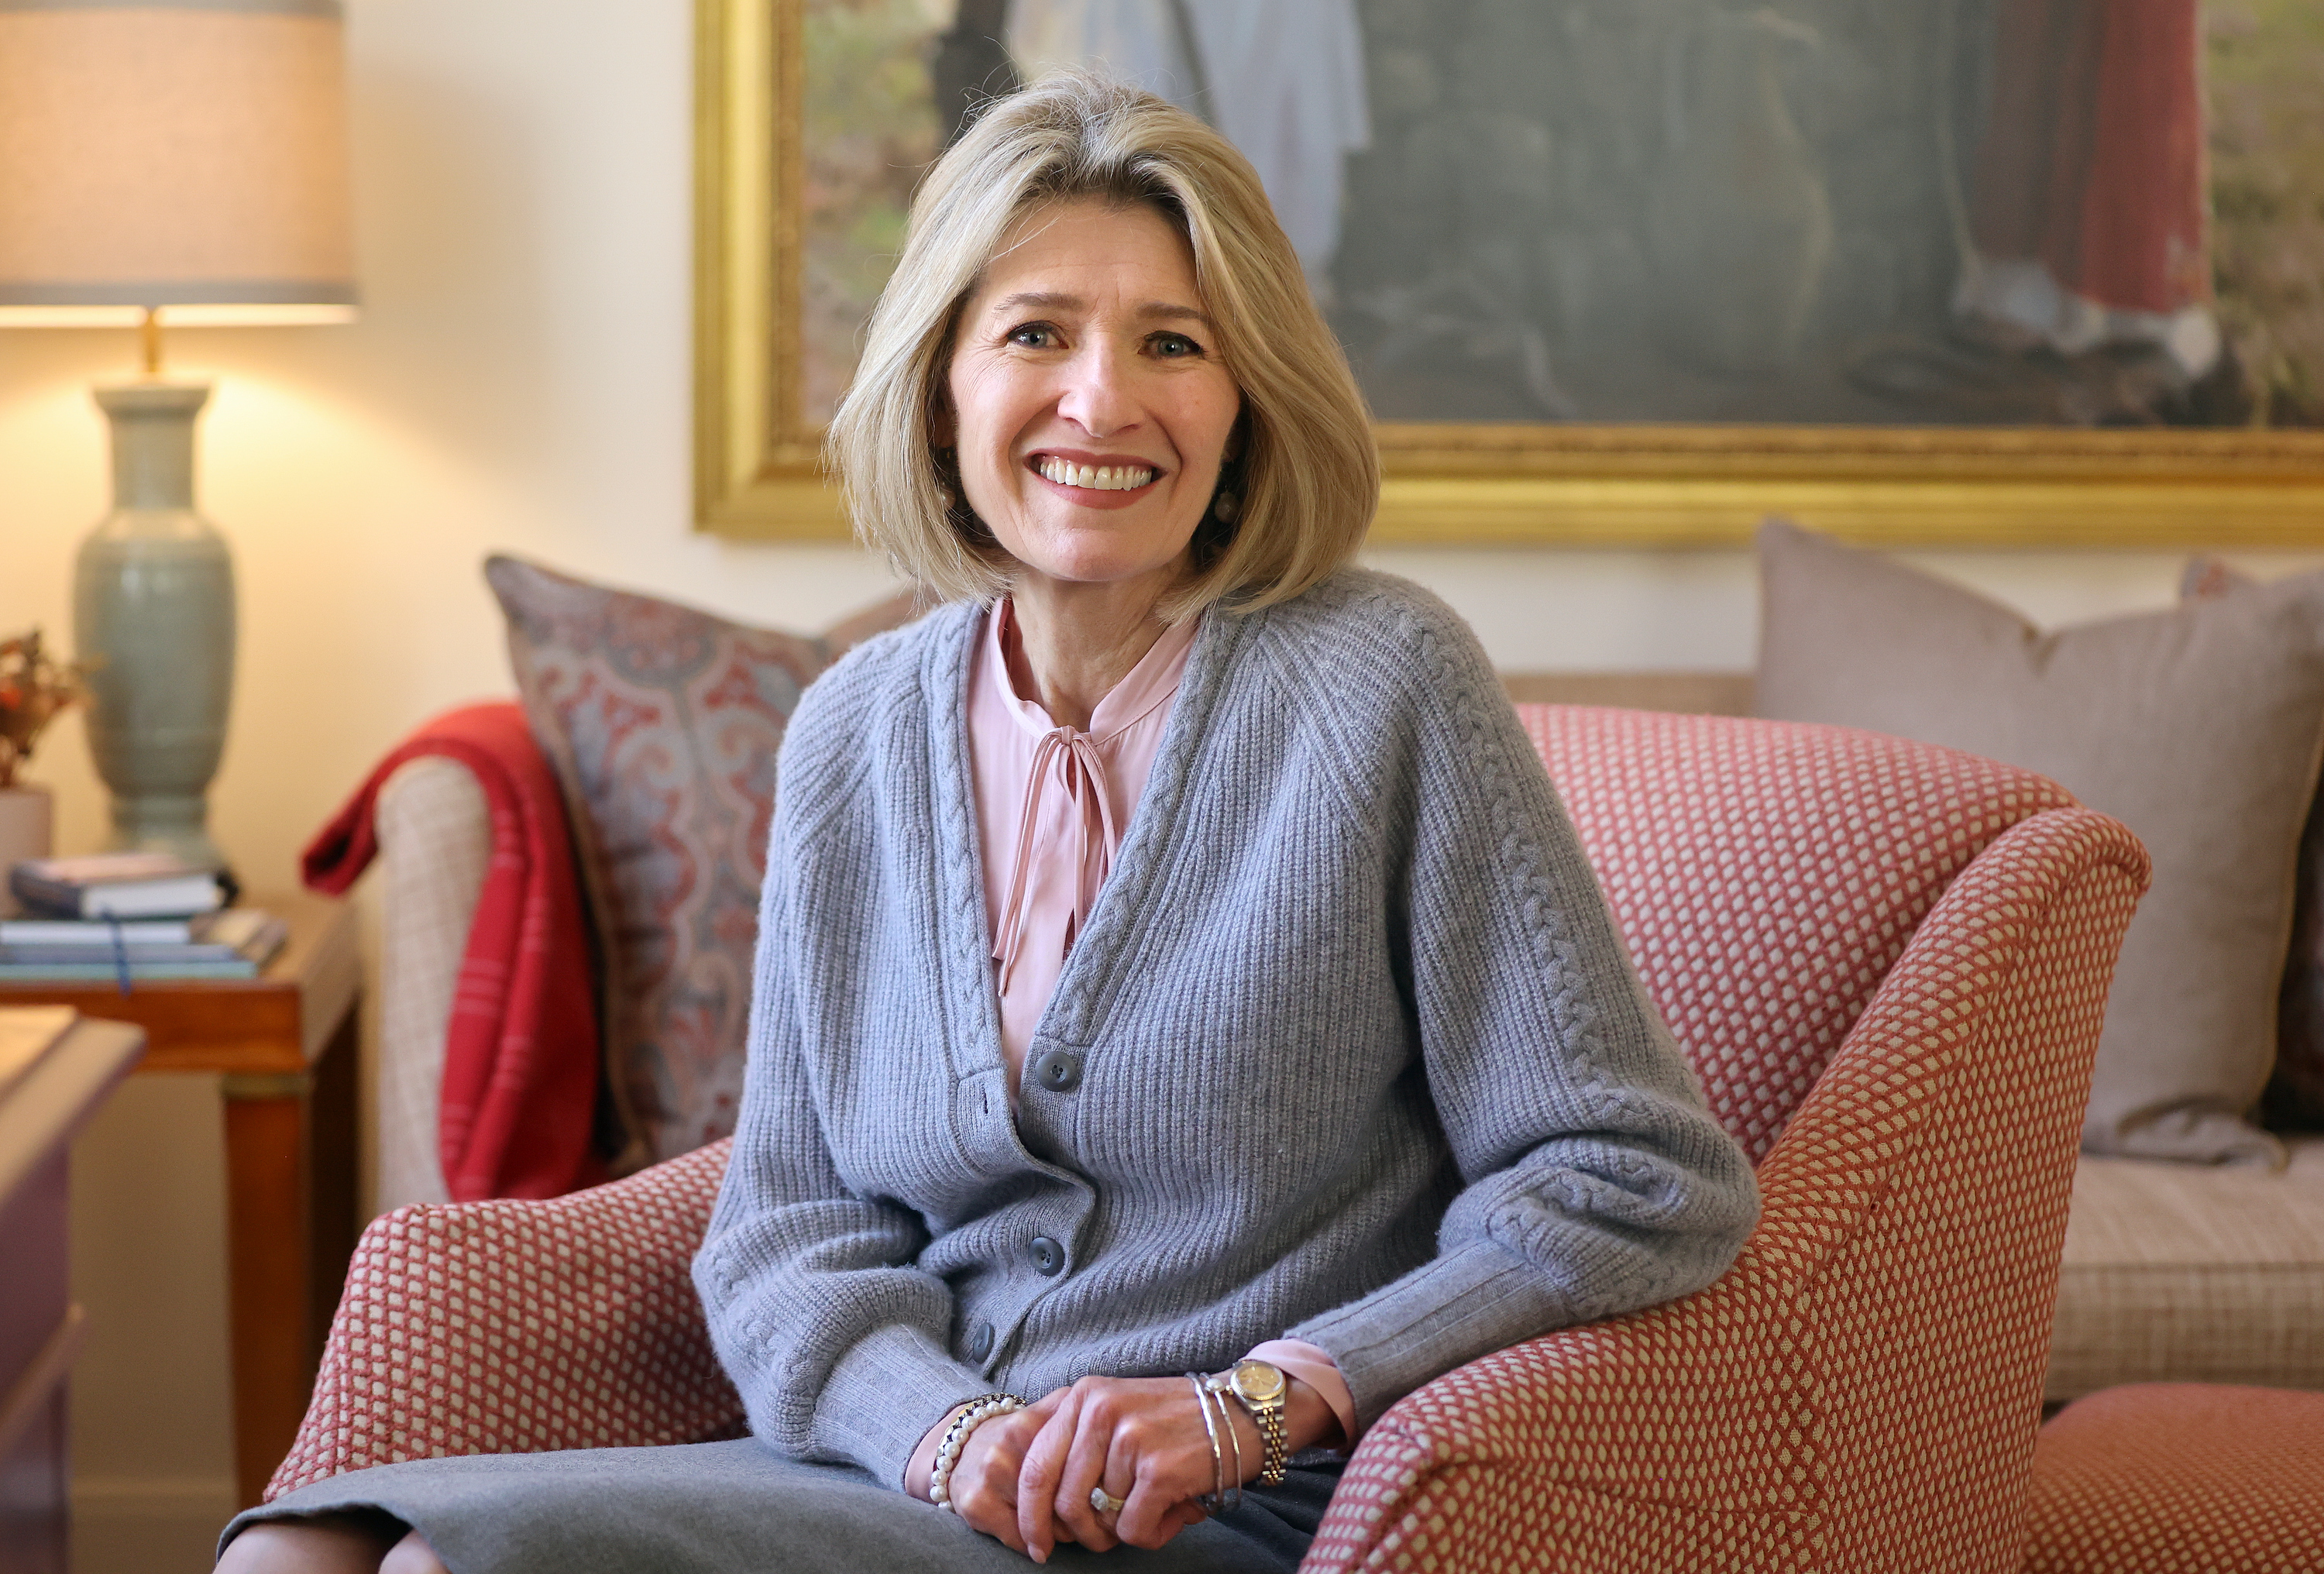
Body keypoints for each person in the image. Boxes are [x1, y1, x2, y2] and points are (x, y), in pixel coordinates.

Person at [215, 71, 1756, 1574]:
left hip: (1229, 1506)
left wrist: (1258, 1402)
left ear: (1245, 401)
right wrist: (944, 1434)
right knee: (296, 1549)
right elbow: (787, 1231)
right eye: (1036, 332)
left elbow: (1629, 1172)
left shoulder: (1384, 684)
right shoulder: (855, 728)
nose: (1103, 399)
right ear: (943, 380)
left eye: (1173, 342)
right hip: (906, 1472)